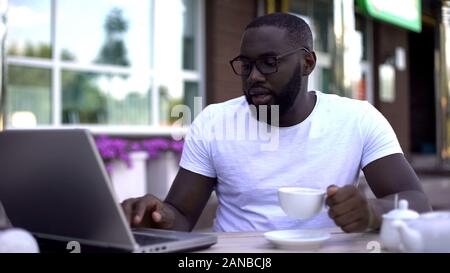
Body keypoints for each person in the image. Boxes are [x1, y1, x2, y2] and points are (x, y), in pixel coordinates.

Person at [122, 13, 431, 232]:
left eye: (269, 63)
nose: (254, 76)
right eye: (246, 65)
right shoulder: (213, 122)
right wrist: (157, 216)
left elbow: (417, 202)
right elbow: (183, 216)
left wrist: (373, 213)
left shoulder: (357, 119)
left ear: (307, 63)